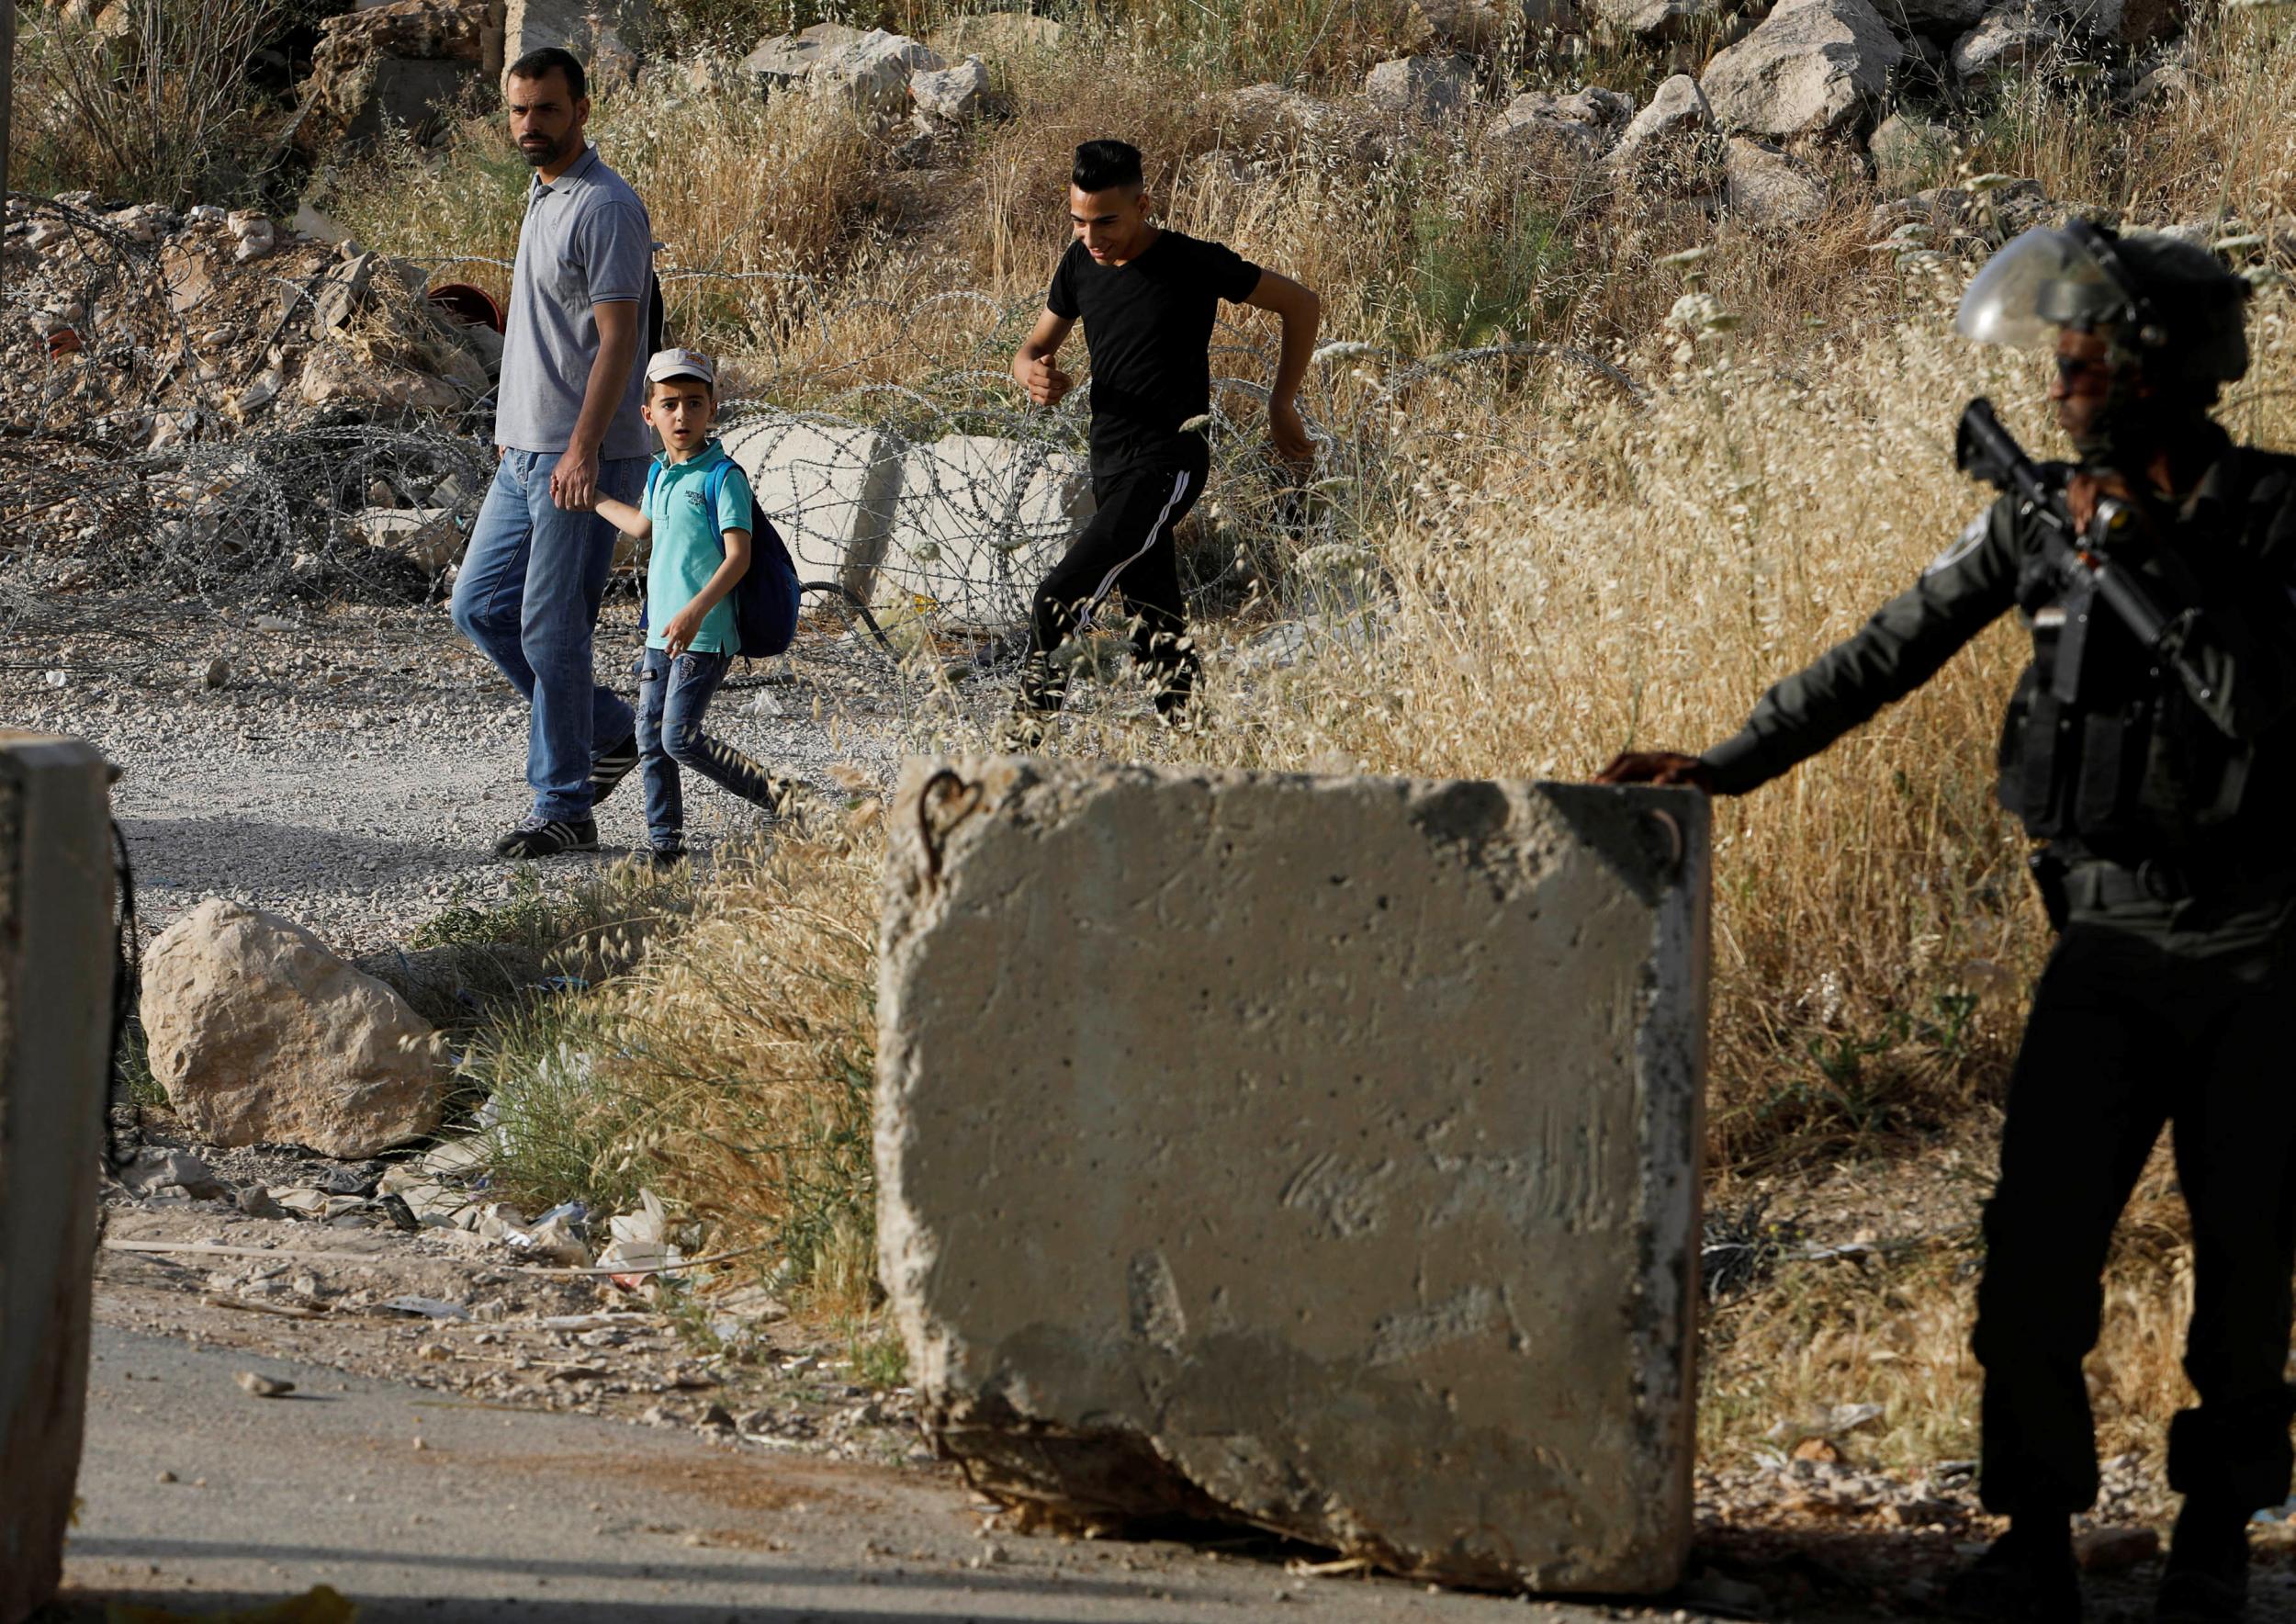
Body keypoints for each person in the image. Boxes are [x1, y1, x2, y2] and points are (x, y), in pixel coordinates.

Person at [1600, 224, 2296, 1624]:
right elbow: (1887, 648)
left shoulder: (2276, 514)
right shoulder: (2039, 519)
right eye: (2058, 346)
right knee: (2035, 1247)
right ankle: (2034, 1535)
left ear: (2159, 361)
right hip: (2103, 947)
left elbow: (2266, 707)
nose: (2062, 374)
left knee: (2243, 1261)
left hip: (2261, 952)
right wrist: (1727, 761)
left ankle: (2214, 1539)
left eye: (2087, 348)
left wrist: (2145, 567)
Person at [1002, 138, 1321, 743]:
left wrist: (1282, 403)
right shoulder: (1078, 264)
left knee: (1057, 598)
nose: (1091, 236)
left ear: (1143, 204)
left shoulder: (1191, 262)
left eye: (1106, 221)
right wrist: (1031, 373)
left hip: (1170, 459)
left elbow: (1301, 305)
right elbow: (1032, 348)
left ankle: (1020, 748)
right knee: (1152, 615)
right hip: (1109, 460)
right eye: (1078, 220)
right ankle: (1198, 744)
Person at [450, 46, 655, 858]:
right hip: (524, 454)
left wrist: (580, 450)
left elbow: (618, 340)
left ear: (581, 109)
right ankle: (606, 729)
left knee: (551, 629)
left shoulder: (604, 206)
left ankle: (565, 806)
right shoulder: (543, 196)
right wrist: (515, 434)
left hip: (583, 459)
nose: (528, 125)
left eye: (545, 110)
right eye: (517, 110)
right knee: (480, 607)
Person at [589, 349, 797, 868]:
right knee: (650, 740)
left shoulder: (723, 477)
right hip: (661, 633)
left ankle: (780, 796)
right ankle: (666, 847)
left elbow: (739, 557)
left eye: (694, 403)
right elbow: (644, 529)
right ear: (649, 414)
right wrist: (588, 495)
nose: (682, 416)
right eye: (670, 404)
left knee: (678, 736)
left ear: (712, 409)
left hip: (705, 632)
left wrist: (695, 612)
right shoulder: (661, 473)